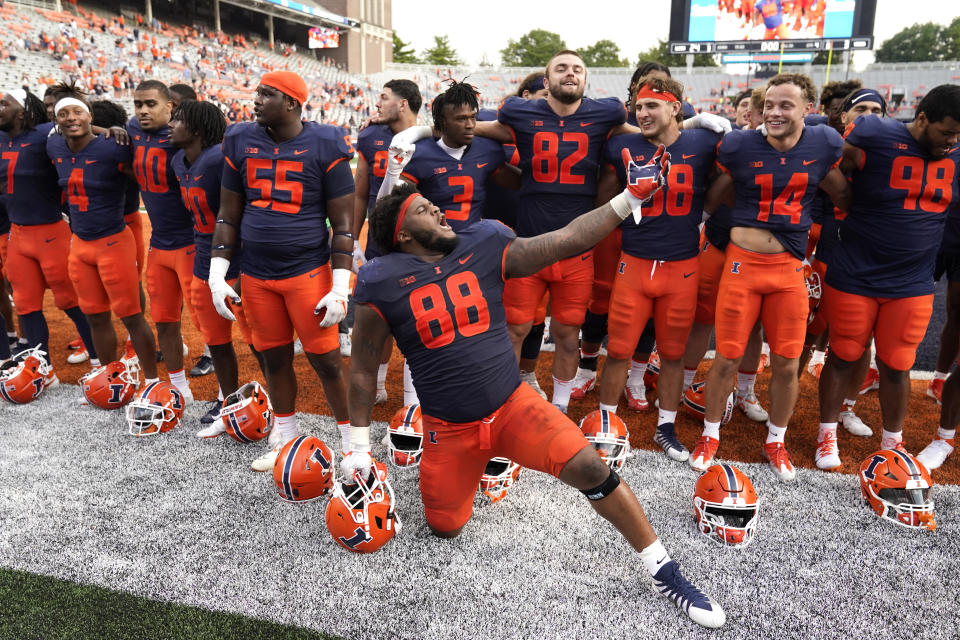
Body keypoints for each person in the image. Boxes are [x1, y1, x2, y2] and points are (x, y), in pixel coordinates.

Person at [343, 162, 726, 628]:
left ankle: (665, 570)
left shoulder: (482, 242)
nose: (440, 213)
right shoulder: (381, 279)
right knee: (445, 526)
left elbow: (565, 239)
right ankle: (487, 462)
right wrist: (357, 447)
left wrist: (630, 200)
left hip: (513, 405)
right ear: (403, 235)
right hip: (449, 427)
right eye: (425, 210)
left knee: (591, 467)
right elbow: (363, 367)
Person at [694, 73, 850, 480]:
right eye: (769, 105)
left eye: (785, 105)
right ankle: (710, 434)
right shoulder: (741, 144)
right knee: (726, 355)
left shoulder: (824, 144)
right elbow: (716, 193)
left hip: (787, 269)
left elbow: (841, 192)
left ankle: (776, 440)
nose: (775, 112)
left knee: (785, 362)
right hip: (742, 263)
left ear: (807, 109)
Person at [209, 71, 355, 471]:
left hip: (307, 272)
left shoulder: (325, 143)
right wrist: (216, 273)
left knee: (325, 362)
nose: (255, 100)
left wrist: (340, 286)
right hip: (257, 275)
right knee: (273, 360)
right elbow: (228, 214)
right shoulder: (240, 139)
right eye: (257, 93)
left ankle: (351, 445)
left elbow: (343, 225)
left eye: (266, 94)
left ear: (292, 102)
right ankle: (286, 439)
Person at [822, 84, 960, 469]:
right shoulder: (876, 132)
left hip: (912, 280)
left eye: (958, 135)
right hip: (855, 271)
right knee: (844, 355)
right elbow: (830, 162)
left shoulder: (955, 155)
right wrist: (841, 197)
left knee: (897, 364)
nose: (952, 141)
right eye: (946, 131)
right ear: (921, 119)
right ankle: (826, 433)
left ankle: (892, 442)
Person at [594, 75, 720, 462]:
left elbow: (730, 177)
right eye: (639, 106)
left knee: (672, 354)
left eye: (652, 105)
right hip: (633, 262)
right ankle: (606, 422)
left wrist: (707, 210)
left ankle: (667, 426)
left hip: (681, 267)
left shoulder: (704, 143)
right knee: (617, 350)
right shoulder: (622, 146)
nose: (643, 113)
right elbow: (603, 202)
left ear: (675, 107)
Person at [44, 87, 159, 382]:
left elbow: (142, 159)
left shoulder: (113, 146)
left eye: (78, 112)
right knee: (95, 315)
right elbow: (59, 130)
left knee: (131, 315)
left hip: (113, 241)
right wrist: (99, 126)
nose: (71, 118)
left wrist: (112, 130)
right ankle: (110, 379)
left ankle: (151, 381)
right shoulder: (54, 144)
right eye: (63, 114)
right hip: (80, 245)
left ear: (90, 115)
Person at [169, 99, 258, 436]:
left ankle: (278, 408)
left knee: (257, 338)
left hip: (239, 259)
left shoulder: (220, 159)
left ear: (197, 128)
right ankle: (228, 399)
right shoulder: (179, 160)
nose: (170, 125)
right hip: (204, 260)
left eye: (178, 120)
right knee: (216, 339)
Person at [0, 88, 97, 375]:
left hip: (51, 232)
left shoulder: (46, 133)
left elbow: (79, 128)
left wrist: (112, 129)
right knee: (27, 304)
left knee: (72, 301)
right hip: (17, 234)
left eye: (4, 103)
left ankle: (97, 362)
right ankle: (41, 369)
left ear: (22, 111)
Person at [125, 79, 199, 402]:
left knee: (211, 326)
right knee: (165, 320)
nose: (142, 110)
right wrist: (106, 130)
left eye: (150, 104)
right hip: (161, 243)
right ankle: (179, 386)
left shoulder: (183, 136)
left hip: (194, 243)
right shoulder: (132, 129)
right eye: (138, 104)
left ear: (170, 107)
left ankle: (228, 392)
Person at [353, 78, 422, 405]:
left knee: (417, 319)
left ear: (403, 103)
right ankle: (378, 384)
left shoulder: (430, 138)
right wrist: (351, 238)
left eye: (384, 97)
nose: (377, 103)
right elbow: (360, 191)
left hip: (416, 243)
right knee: (377, 317)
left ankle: (413, 396)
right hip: (379, 240)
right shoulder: (369, 136)